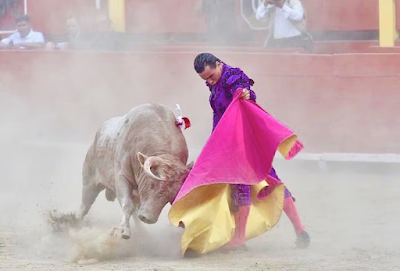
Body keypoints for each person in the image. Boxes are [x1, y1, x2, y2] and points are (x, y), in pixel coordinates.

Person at [193, 52, 310, 249]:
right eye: (205, 79)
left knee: (241, 184)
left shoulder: (232, 77)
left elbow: (243, 90)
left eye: (211, 76)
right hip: (227, 141)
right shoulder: (215, 81)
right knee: (270, 179)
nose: (210, 82)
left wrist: (245, 93)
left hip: (240, 141)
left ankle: (239, 238)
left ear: (219, 64)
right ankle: (300, 230)